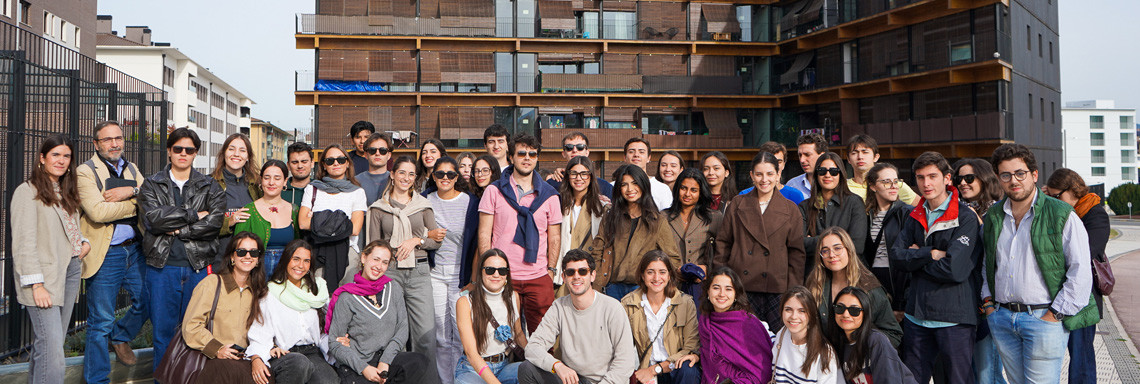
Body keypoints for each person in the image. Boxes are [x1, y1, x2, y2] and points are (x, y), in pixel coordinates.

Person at [981, 144, 1097, 384]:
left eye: (1020, 173)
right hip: (1002, 317)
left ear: (1034, 175)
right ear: (998, 179)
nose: (1014, 180)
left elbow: (1080, 270)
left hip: (1043, 317)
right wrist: (989, 305)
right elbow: (987, 264)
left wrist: (1055, 315)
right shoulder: (993, 216)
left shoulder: (1061, 213)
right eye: (1006, 175)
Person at [890, 151, 982, 384]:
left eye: (932, 176)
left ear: (947, 178)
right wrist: (930, 254)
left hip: (954, 318)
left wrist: (915, 257)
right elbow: (897, 257)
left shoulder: (966, 218)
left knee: (957, 380)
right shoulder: (915, 215)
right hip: (917, 316)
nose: (926, 183)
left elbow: (955, 270)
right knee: (912, 380)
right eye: (920, 178)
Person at [139, 127, 226, 369]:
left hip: (198, 269)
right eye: (178, 149)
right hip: (161, 269)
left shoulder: (209, 186)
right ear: (169, 151)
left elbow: (214, 223)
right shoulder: (151, 184)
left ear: (195, 153)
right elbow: (154, 220)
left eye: (189, 150)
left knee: (197, 334)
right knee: (163, 336)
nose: (183, 154)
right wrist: (193, 215)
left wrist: (178, 229)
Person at [12, 135, 89, 384]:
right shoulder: (27, 192)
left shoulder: (66, 190)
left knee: (46, 345)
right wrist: (36, 284)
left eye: (66, 156)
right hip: (43, 280)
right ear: (42, 158)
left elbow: (65, 228)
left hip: (69, 270)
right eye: (55, 154)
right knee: (54, 351)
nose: (62, 160)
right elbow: (24, 243)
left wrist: (83, 243)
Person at [78, 121, 149, 382]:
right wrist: (134, 204)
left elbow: (149, 196)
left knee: (149, 300)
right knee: (100, 322)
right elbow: (97, 212)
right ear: (96, 144)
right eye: (107, 140)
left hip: (135, 251)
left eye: (118, 138)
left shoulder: (131, 168)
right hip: (106, 254)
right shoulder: (85, 172)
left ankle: (121, 337)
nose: (115, 144)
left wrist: (130, 191)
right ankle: (97, 380)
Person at [367, 155, 445, 379]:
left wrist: (416, 240)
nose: (406, 178)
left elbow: (436, 239)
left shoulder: (423, 206)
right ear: (392, 175)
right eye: (402, 173)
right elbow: (373, 246)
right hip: (390, 272)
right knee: (394, 336)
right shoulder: (378, 208)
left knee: (425, 337)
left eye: (411, 174)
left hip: (419, 271)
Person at [478, 133, 562, 334]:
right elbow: (484, 234)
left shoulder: (550, 195)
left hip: (539, 275)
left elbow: (555, 237)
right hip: (503, 275)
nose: (527, 158)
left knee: (543, 337)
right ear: (511, 157)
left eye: (532, 154)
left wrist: (550, 270)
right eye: (522, 153)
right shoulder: (494, 190)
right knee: (503, 336)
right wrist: (488, 269)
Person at [517, 249, 638, 384]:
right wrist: (557, 365)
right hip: (573, 379)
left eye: (582, 271)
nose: (576, 276)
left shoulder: (613, 308)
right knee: (526, 369)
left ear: (592, 275)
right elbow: (532, 348)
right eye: (570, 272)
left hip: (604, 381)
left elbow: (625, 362)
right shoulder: (559, 307)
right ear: (564, 278)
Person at [715, 152, 806, 330]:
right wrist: (722, 281)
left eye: (770, 174)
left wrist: (793, 291)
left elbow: (796, 254)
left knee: (776, 342)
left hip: (777, 288)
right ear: (751, 176)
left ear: (778, 175)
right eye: (759, 174)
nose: (764, 179)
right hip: (741, 285)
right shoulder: (737, 204)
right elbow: (723, 244)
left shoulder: (791, 209)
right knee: (743, 340)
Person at [326, 241, 439, 384]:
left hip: (386, 360)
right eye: (376, 259)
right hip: (359, 365)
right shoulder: (347, 297)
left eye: (385, 262)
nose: (379, 267)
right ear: (363, 258)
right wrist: (364, 368)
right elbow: (335, 344)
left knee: (418, 362)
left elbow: (402, 328)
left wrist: (385, 361)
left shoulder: (393, 288)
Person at [1044, 168, 1108, 384]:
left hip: (1083, 298)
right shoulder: (1057, 213)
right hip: (1055, 296)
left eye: (1056, 196)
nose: (1054, 201)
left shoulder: (1095, 213)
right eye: (1050, 196)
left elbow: (1085, 253)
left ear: (1072, 189)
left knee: (1081, 359)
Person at [181, 232, 269, 383]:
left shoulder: (259, 291)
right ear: (232, 257)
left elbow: (263, 329)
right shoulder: (212, 283)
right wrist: (217, 349)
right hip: (214, 361)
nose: (248, 256)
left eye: (253, 252)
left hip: (246, 361)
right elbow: (191, 326)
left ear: (258, 259)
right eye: (241, 252)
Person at [248, 239, 336, 384]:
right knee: (299, 363)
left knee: (328, 380)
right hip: (285, 354)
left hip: (313, 352)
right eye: (296, 259)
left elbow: (325, 328)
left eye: (306, 261)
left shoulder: (317, 292)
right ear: (286, 260)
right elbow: (260, 332)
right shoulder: (271, 293)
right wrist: (256, 357)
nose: (301, 265)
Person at [424, 156, 480, 384]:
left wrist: (474, 279)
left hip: (461, 275)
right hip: (435, 273)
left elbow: (477, 242)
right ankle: (445, 380)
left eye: (450, 174)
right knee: (440, 333)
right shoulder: (424, 200)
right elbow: (415, 231)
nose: (445, 178)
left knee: (460, 332)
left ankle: (461, 379)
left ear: (457, 177)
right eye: (440, 174)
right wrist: (427, 236)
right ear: (433, 176)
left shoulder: (470, 202)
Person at [952, 157, 1006, 384]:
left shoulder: (998, 212)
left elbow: (1000, 253)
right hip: (962, 304)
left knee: (988, 374)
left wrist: (979, 225)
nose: (963, 183)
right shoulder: (955, 212)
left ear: (984, 179)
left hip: (989, 303)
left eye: (969, 178)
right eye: (959, 178)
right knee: (971, 373)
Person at [593, 164, 681, 301]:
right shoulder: (610, 217)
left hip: (642, 288)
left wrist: (655, 283)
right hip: (611, 287)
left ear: (643, 185)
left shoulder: (657, 221)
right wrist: (597, 283)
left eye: (635, 183)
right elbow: (597, 252)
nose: (630, 189)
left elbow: (672, 259)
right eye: (624, 184)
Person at [807, 227, 903, 347]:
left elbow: (893, 334)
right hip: (825, 357)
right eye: (825, 250)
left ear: (849, 250)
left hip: (859, 358)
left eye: (837, 248)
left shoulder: (869, 287)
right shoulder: (815, 284)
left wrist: (864, 346)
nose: (832, 255)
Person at [620, 251, 701, 384]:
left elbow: (691, 347)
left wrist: (655, 369)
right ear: (642, 275)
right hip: (646, 371)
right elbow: (621, 347)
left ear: (669, 275)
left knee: (688, 369)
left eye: (662, 272)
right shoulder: (628, 304)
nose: (657, 278)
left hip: (675, 368)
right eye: (650, 272)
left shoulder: (685, 303)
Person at [299, 144, 367, 292]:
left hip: (348, 253)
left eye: (341, 160)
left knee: (345, 300)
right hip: (317, 251)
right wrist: (341, 220)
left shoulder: (357, 192)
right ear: (323, 165)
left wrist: (318, 219)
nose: (336, 163)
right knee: (318, 298)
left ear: (347, 163)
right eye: (330, 160)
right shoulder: (313, 188)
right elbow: (303, 223)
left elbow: (355, 229)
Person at [454, 249, 528, 384]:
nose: (496, 274)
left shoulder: (513, 296)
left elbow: (518, 334)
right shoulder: (465, 302)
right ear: (481, 271)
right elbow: (471, 353)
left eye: (502, 271)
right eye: (490, 270)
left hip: (504, 365)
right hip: (474, 369)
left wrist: (540, 360)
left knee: (533, 372)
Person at [699, 266, 774, 384]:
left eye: (728, 289)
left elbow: (761, 372)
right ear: (708, 291)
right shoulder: (705, 320)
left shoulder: (748, 323)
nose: (722, 294)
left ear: (736, 294)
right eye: (716, 288)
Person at [831, 286, 918, 384]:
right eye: (840, 308)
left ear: (865, 313)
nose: (846, 314)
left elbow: (890, 380)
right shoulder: (837, 344)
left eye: (854, 311)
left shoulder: (876, 340)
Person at [801, 152, 868, 278]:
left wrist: (815, 241)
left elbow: (857, 245)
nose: (827, 175)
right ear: (816, 174)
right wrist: (841, 242)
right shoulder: (804, 206)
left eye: (833, 171)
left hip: (849, 275)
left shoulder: (854, 203)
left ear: (840, 174)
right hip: (815, 276)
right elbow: (800, 244)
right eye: (822, 171)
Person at [861, 163, 912, 323]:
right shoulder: (865, 215)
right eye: (886, 182)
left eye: (896, 181)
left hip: (897, 280)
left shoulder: (906, 212)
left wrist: (900, 303)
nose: (893, 186)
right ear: (873, 186)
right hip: (872, 281)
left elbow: (908, 258)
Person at [236, 160, 300, 277]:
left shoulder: (294, 210)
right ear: (261, 180)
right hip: (256, 275)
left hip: (286, 276)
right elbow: (238, 249)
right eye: (267, 178)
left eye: (277, 178)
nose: (271, 182)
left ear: (285, 181)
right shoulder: (249, 210)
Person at [665, 168, 721, 302]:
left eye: (693, 190)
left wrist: (708, 270)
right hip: (670, 285)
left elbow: (723, 252)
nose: (687, 194)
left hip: (702, 287)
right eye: (683, 188)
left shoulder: (715, 218)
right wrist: (672, 270)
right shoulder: (663, 217)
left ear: (701, 193)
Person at [556, 156, 609, 294]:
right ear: (567, 176)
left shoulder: (602, 207)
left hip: (589, 270)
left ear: (591, 176)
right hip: (563, 269)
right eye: (573, 173)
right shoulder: (557, 203)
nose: (579, 178)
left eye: (584, 173)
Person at [212, 133, 263, 270]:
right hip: (219, 259)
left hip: (249, 261)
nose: (236, 154)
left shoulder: (258, 185)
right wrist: (229, 221)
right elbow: (202, 223)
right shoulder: (208, 183)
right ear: (224, 153)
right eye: (231, 149)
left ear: (248, 157)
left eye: (242, 150)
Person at [772, 286, 839, 384]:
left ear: (811, 314)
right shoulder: (782, 333)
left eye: (802, 311)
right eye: (788, 309)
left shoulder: (825, 354)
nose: (794, 316)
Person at [845, 134, 919, 205]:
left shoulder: (894, 184)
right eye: (854, 153)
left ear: (876, 157)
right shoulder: (842, 187)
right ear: (848, 159)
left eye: (865, 152)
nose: (860, 157)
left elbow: (922, 207)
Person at [545, 132, 614, 197]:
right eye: (569, 147)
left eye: (580, 147)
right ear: (563, 154)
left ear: (587, 152)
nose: (575, 150)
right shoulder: (552, 185)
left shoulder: (604, 187)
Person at [739, 141, 806, 205]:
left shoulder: (794, 195)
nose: (775, 166)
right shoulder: (744, 196)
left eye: (779, 162)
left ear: (784, 164)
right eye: (770, 162)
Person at [622, 138, 673, 210]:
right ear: (625, 157)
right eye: (631, 152)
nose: (636, 155)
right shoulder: (614, 186)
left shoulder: (662, 189)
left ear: (648, 158)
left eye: (641, 152)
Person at [355, 132, 392, 206]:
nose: (377, 153)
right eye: (372, 150)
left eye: (382, 150)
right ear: (366, 155)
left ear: (389, 155)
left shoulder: (396, 180)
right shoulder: (355, 182)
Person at [788, 133, 827, 197]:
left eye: (807, 155)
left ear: (822, 156)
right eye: (800, 155)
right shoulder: (792, 185)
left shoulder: (837, 184)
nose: (802, 160)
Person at [284, 142, 316, 207]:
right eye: (295, 162)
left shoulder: (320, 190)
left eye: (304, 162)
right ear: (288, 165)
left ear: (312, 163)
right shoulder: (279, 190)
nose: (300, 166)